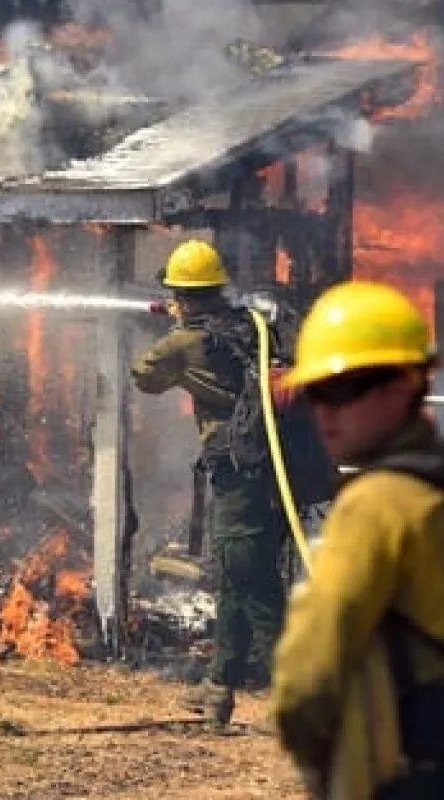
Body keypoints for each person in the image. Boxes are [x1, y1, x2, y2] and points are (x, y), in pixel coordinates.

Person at [270, 280, 444, 800]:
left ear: (401, 385)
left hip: (411, 778)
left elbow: (307, 677)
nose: (324, 412)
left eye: (343, 390)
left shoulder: (378, 505)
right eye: (316, 393)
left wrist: (318, 759)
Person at [130, 239, 286, 725]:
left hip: (241, 476)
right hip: (273, 471)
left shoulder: (184, 342)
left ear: (180, 295)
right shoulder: (248, 326)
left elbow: (145, 377)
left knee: (253, 580)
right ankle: (219, 687)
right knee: (235, 577)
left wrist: (171, 335)